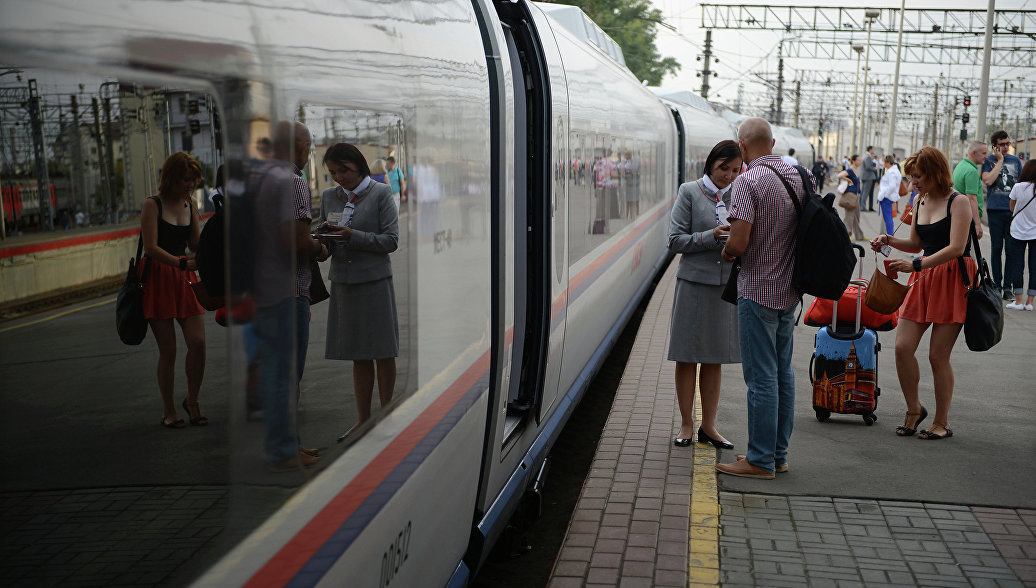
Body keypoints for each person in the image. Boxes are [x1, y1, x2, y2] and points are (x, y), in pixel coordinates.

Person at [717, 118, 812, 479]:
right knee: (782, 374)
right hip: (789, 291)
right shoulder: (801, 177)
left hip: (758, 291)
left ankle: (758, 461)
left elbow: (739, 243)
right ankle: (778, 455)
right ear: (772, 142)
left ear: (742, 146)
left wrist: (726, 252)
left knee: (760, 378)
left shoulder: (748, 182)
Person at [871, 146, 977, 441]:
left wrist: (916, 264)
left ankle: (941, 422)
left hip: (954, 278)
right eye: (911, 177)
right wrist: (888, 238)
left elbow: (956, 247)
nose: (913, 183)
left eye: (918, 176)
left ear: (935, 173)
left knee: (937, 356)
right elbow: (917, 242)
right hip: (924, 276)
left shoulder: (958, 203)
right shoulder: (919, 200)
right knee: (903, 347)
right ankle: (914, 408)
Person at [251, 121, 328, 469]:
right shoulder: (294, 182)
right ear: (297, 147)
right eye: (308, 145)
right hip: (288, 291)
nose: (309, 151)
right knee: (288, 375)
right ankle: (285, 451)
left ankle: (286, 443)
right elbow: (297, 242)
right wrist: (321, 247)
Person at [318, 143, 400, 440]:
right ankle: (364, 420)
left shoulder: (380, 194)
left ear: (360, 167)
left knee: (382, 350)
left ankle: (387, 415)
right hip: (345, 282)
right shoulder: (330, 197)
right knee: (359, 354)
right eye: (333, 172)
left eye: (344, 170)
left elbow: (391, 240)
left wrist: (354, 236)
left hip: (375, 281)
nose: (339, 177)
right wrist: (321, 245)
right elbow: (326, 236)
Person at [667, 140, 742, 451]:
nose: (728, 175)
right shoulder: (690, 191)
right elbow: (675, 240)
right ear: (711, 163)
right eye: (724, 168)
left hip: (725, 287)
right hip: (694, 283)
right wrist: (710, 236)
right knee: (687, 355)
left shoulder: (741, 193)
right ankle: (686, 423)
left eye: (735, 170)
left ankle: (709, 426)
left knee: (715, 358)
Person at [140, 152, 207, 429]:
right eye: (186, 179)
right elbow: (151, 248)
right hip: (158, 278)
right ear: (172, 178)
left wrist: (213, 243)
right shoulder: (152, 205)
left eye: (193, 180)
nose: (190, 185)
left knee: (199, 343)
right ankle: (169, 411)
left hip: (184, 278)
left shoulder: (190, 204)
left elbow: (195, 246)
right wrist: (181, 264)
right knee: (168, 351)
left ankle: (192, 400)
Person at [983, 130, 1023, 300]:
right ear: (995, 146)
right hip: (995, 211)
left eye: (1008, 143)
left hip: (1012, 212)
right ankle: (997, 285)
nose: (1006, 147)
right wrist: (999, 161)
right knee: (996, 248)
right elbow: (988, 181)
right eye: (1002, 144)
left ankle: (1008, 287)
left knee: (1011, 250)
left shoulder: (1016, 161)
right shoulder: (989, 161)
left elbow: (1022, 184)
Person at [1005, 159, 1036, 310]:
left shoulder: (1018, 187)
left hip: (1017, 231)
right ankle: (1030, 302)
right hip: (1035, 232)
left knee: (1017, 264)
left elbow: (1012, 208)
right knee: (1034, 266)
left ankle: (1018, 301)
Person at [952, 141, 986, 238]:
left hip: (959, 215)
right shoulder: (971, 171)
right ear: (974, 153)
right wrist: (977, 224)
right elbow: (971, 198)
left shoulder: (961, 165)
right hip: (967, 219)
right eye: (983, 153)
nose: (986, 156)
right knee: (965, 251)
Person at [837, 154, 866, 240]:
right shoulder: (850, 170)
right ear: (853, 161)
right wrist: (848, 179)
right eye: (858, 160)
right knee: (849, 215)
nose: (860, 162)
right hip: (850, 195)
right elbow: (839, 175)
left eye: (860, 160)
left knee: (856, 216)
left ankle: (859, 235)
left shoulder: (855, 170)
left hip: (855, 195)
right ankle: (846, 235)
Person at [876, 154, 902, 234]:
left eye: (884, 162)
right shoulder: (895, 171)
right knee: (889, 218)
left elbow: (892, 186)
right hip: (890, 197)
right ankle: (890, 236)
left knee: (888, 219)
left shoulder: (891, 172)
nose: (883, 164)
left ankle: (890, 237)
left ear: (887, 162)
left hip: (887, 198)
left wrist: (885, 195)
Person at [861, 146, 878, 211]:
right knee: (865, 192)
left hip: (866, 176)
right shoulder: (868, 157)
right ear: (870, 150)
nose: (873, 151)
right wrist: (874, 168)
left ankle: (868, 207)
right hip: (868, 177)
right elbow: (868, 167)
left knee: (865, 192)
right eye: (873, 149)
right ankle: (863, 207)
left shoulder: (865, 156)